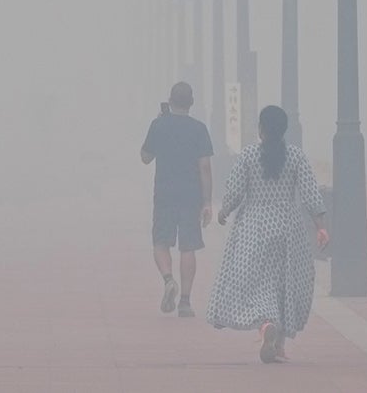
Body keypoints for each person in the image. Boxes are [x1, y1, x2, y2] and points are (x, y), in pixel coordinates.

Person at [207, 105, 329, 363]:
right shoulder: (295, 156)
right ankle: (279, 345)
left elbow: (235, 190)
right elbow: (310, 193)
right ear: (284, 129)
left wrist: (224, 211)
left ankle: (265, 327)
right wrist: (320, 226)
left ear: (261, 128)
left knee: (256, 283)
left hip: (254, 226)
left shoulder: (249, 155)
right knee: (285, 284)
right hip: (288, 227)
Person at [140, 81, 214, 318]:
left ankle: (168, 279)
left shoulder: (158, 125)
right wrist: (207, 201)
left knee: (161, 242)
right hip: (191, 195)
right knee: (188, 246)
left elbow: (145, 157)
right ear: (190, 103)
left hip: (164, 193)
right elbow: (204, 167)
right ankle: (185, 301)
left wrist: (158, 125)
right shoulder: (199, 129)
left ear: (170, 101)